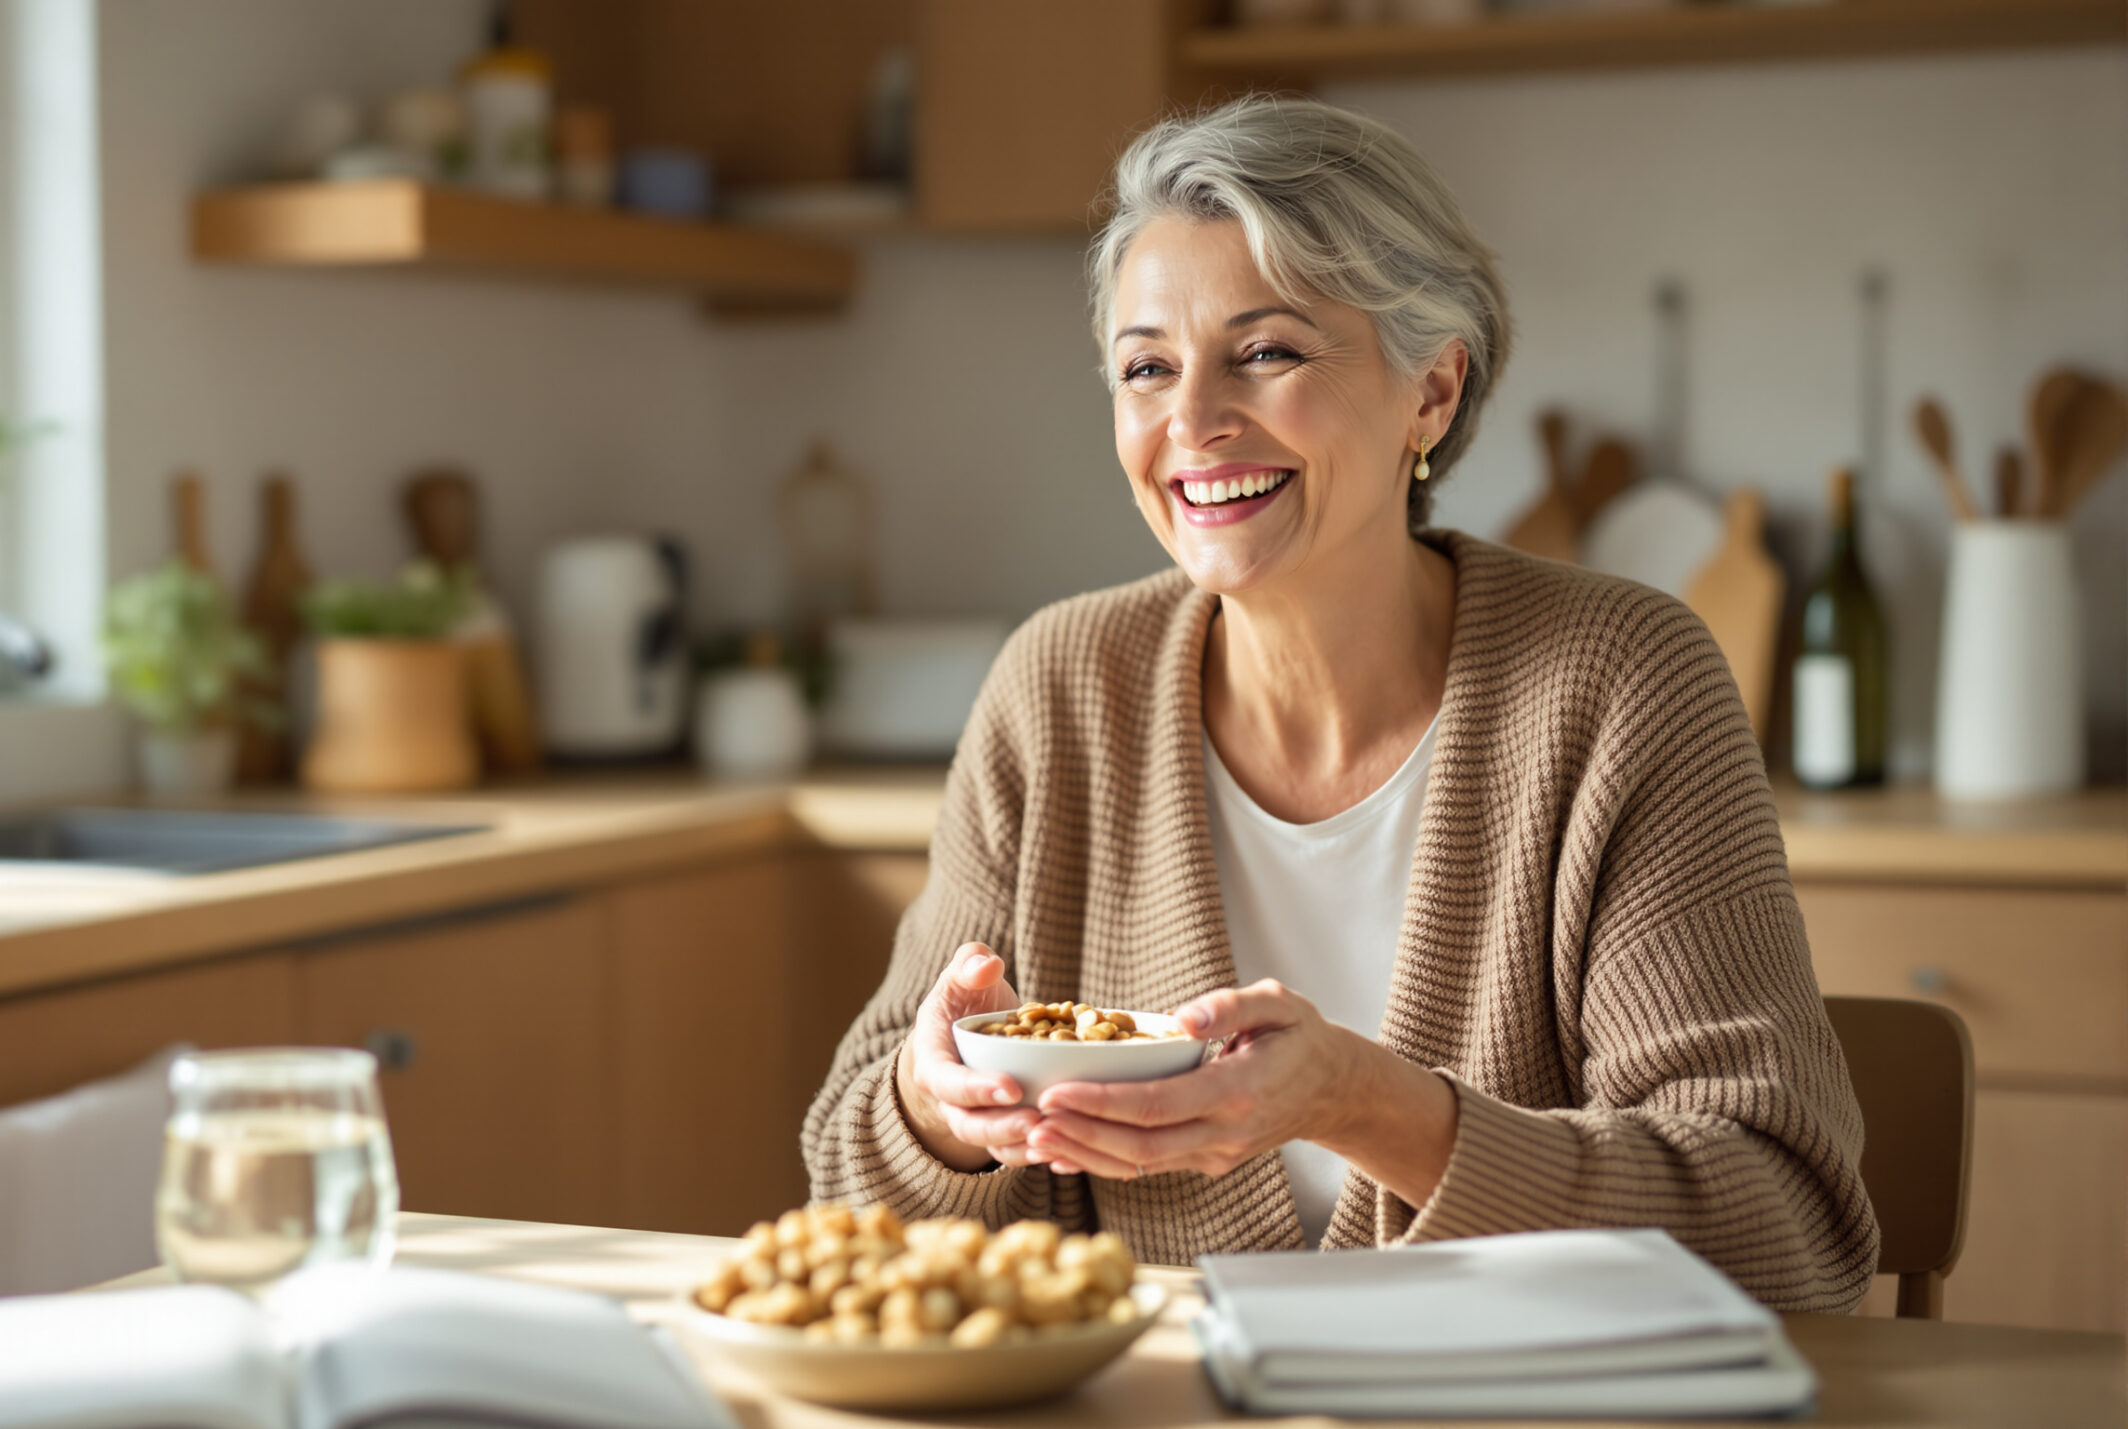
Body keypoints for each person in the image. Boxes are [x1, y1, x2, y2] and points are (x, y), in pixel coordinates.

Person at [801, 96, 1877, 1312]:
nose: (1191, 425)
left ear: (1431, 391)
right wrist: (941, 1109)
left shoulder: (1619, 683)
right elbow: (848, 1183)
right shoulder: (1059, 688)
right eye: (1146, 367)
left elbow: (1782, 1226)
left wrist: (1371, 1108)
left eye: (1266, 352)